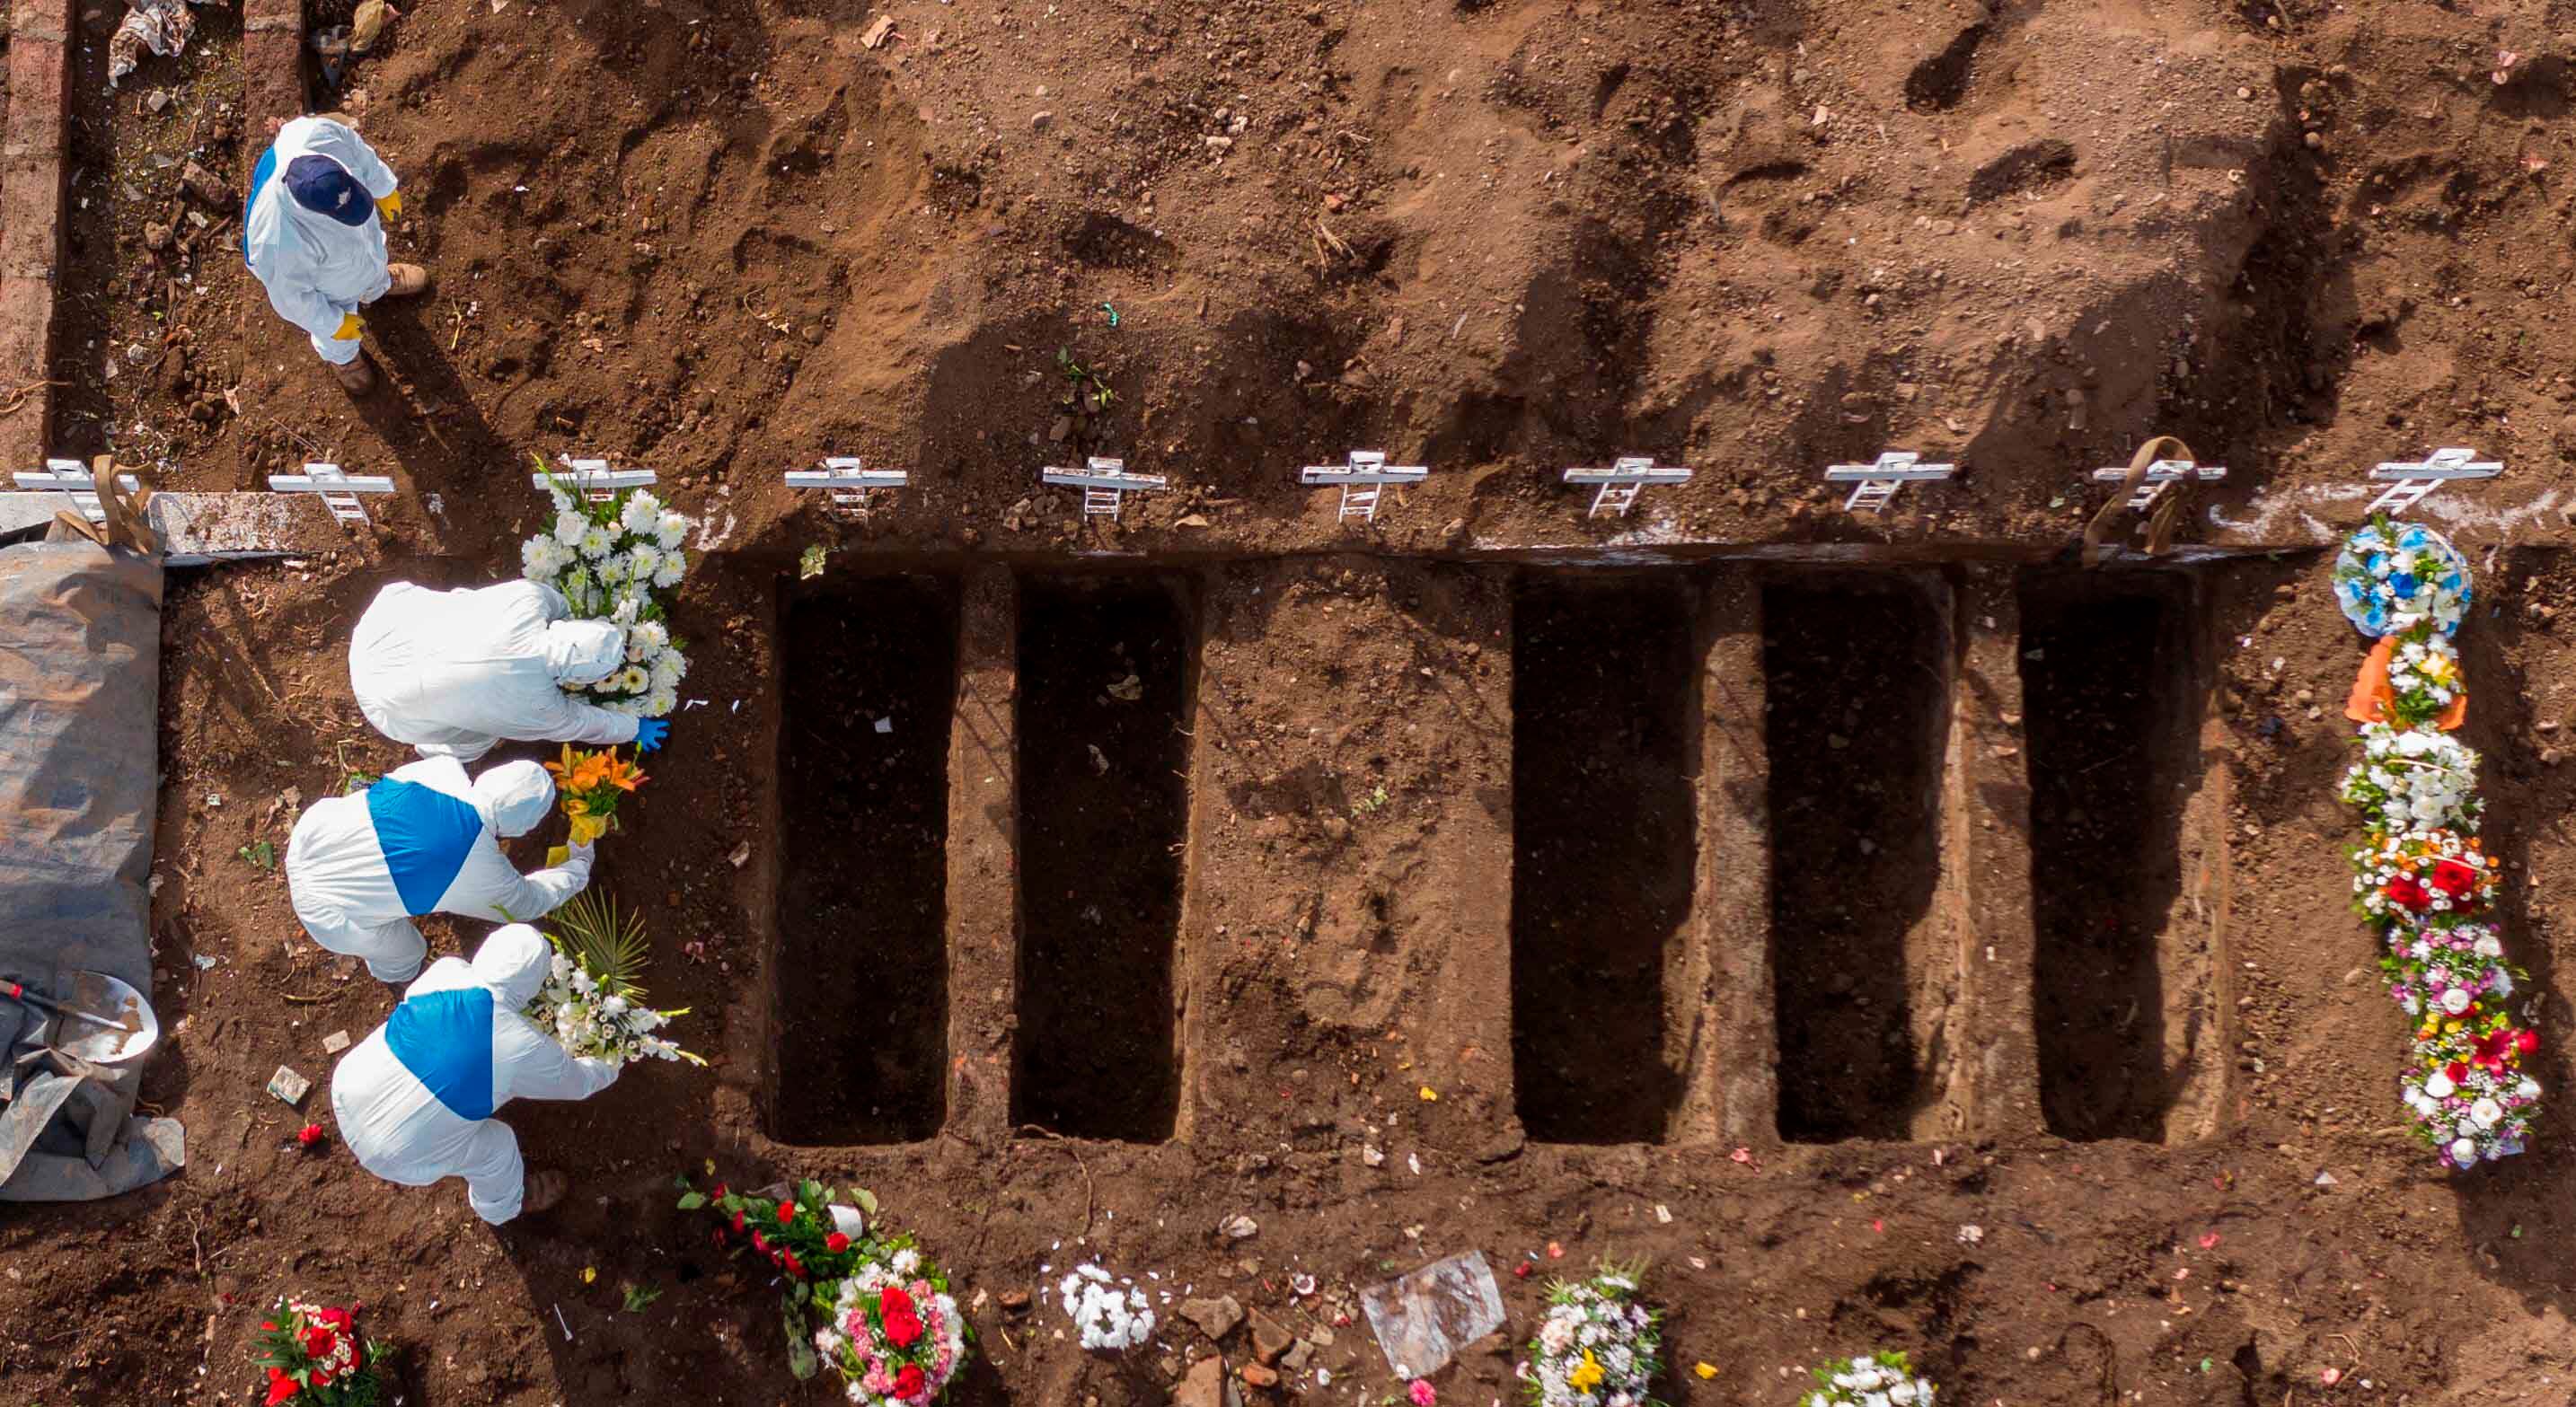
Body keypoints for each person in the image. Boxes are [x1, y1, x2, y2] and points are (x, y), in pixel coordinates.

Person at [330, 925, 617, 1224]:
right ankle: (502, 1208)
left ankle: (438, 1133)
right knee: (498, 1147)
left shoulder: (446, 971)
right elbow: (578, 1083)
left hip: (347, 1090)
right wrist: (612, 1062)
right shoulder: (525, 1046)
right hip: (401, 1157)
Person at [285, 756, 595, 984]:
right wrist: (578, 867)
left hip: (308, 839)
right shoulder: (479, 868)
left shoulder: (442, 769)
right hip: (329, 915)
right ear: (523, 827)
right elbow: (526, 903)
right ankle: (395, 973)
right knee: (408, 953)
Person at [348, 579, 671, 763]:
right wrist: (632, 728)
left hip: (381, 624)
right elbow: (582, 724)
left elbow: (557, 604)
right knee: (480, 731)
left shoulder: (529, 599)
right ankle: (438, 755)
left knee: (464, 604)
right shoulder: (537, 707)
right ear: (576, 680)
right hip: (387, 704)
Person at [243, 112, 428, 395]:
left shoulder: (321, 134)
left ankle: (377, 283)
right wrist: (335, 324)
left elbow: (359, 152)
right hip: (326, 282)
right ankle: (345, 358)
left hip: (353, 248)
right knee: (334, 326)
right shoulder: (276, 240)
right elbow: (294, 300)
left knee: (369, 250)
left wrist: (382, 187)